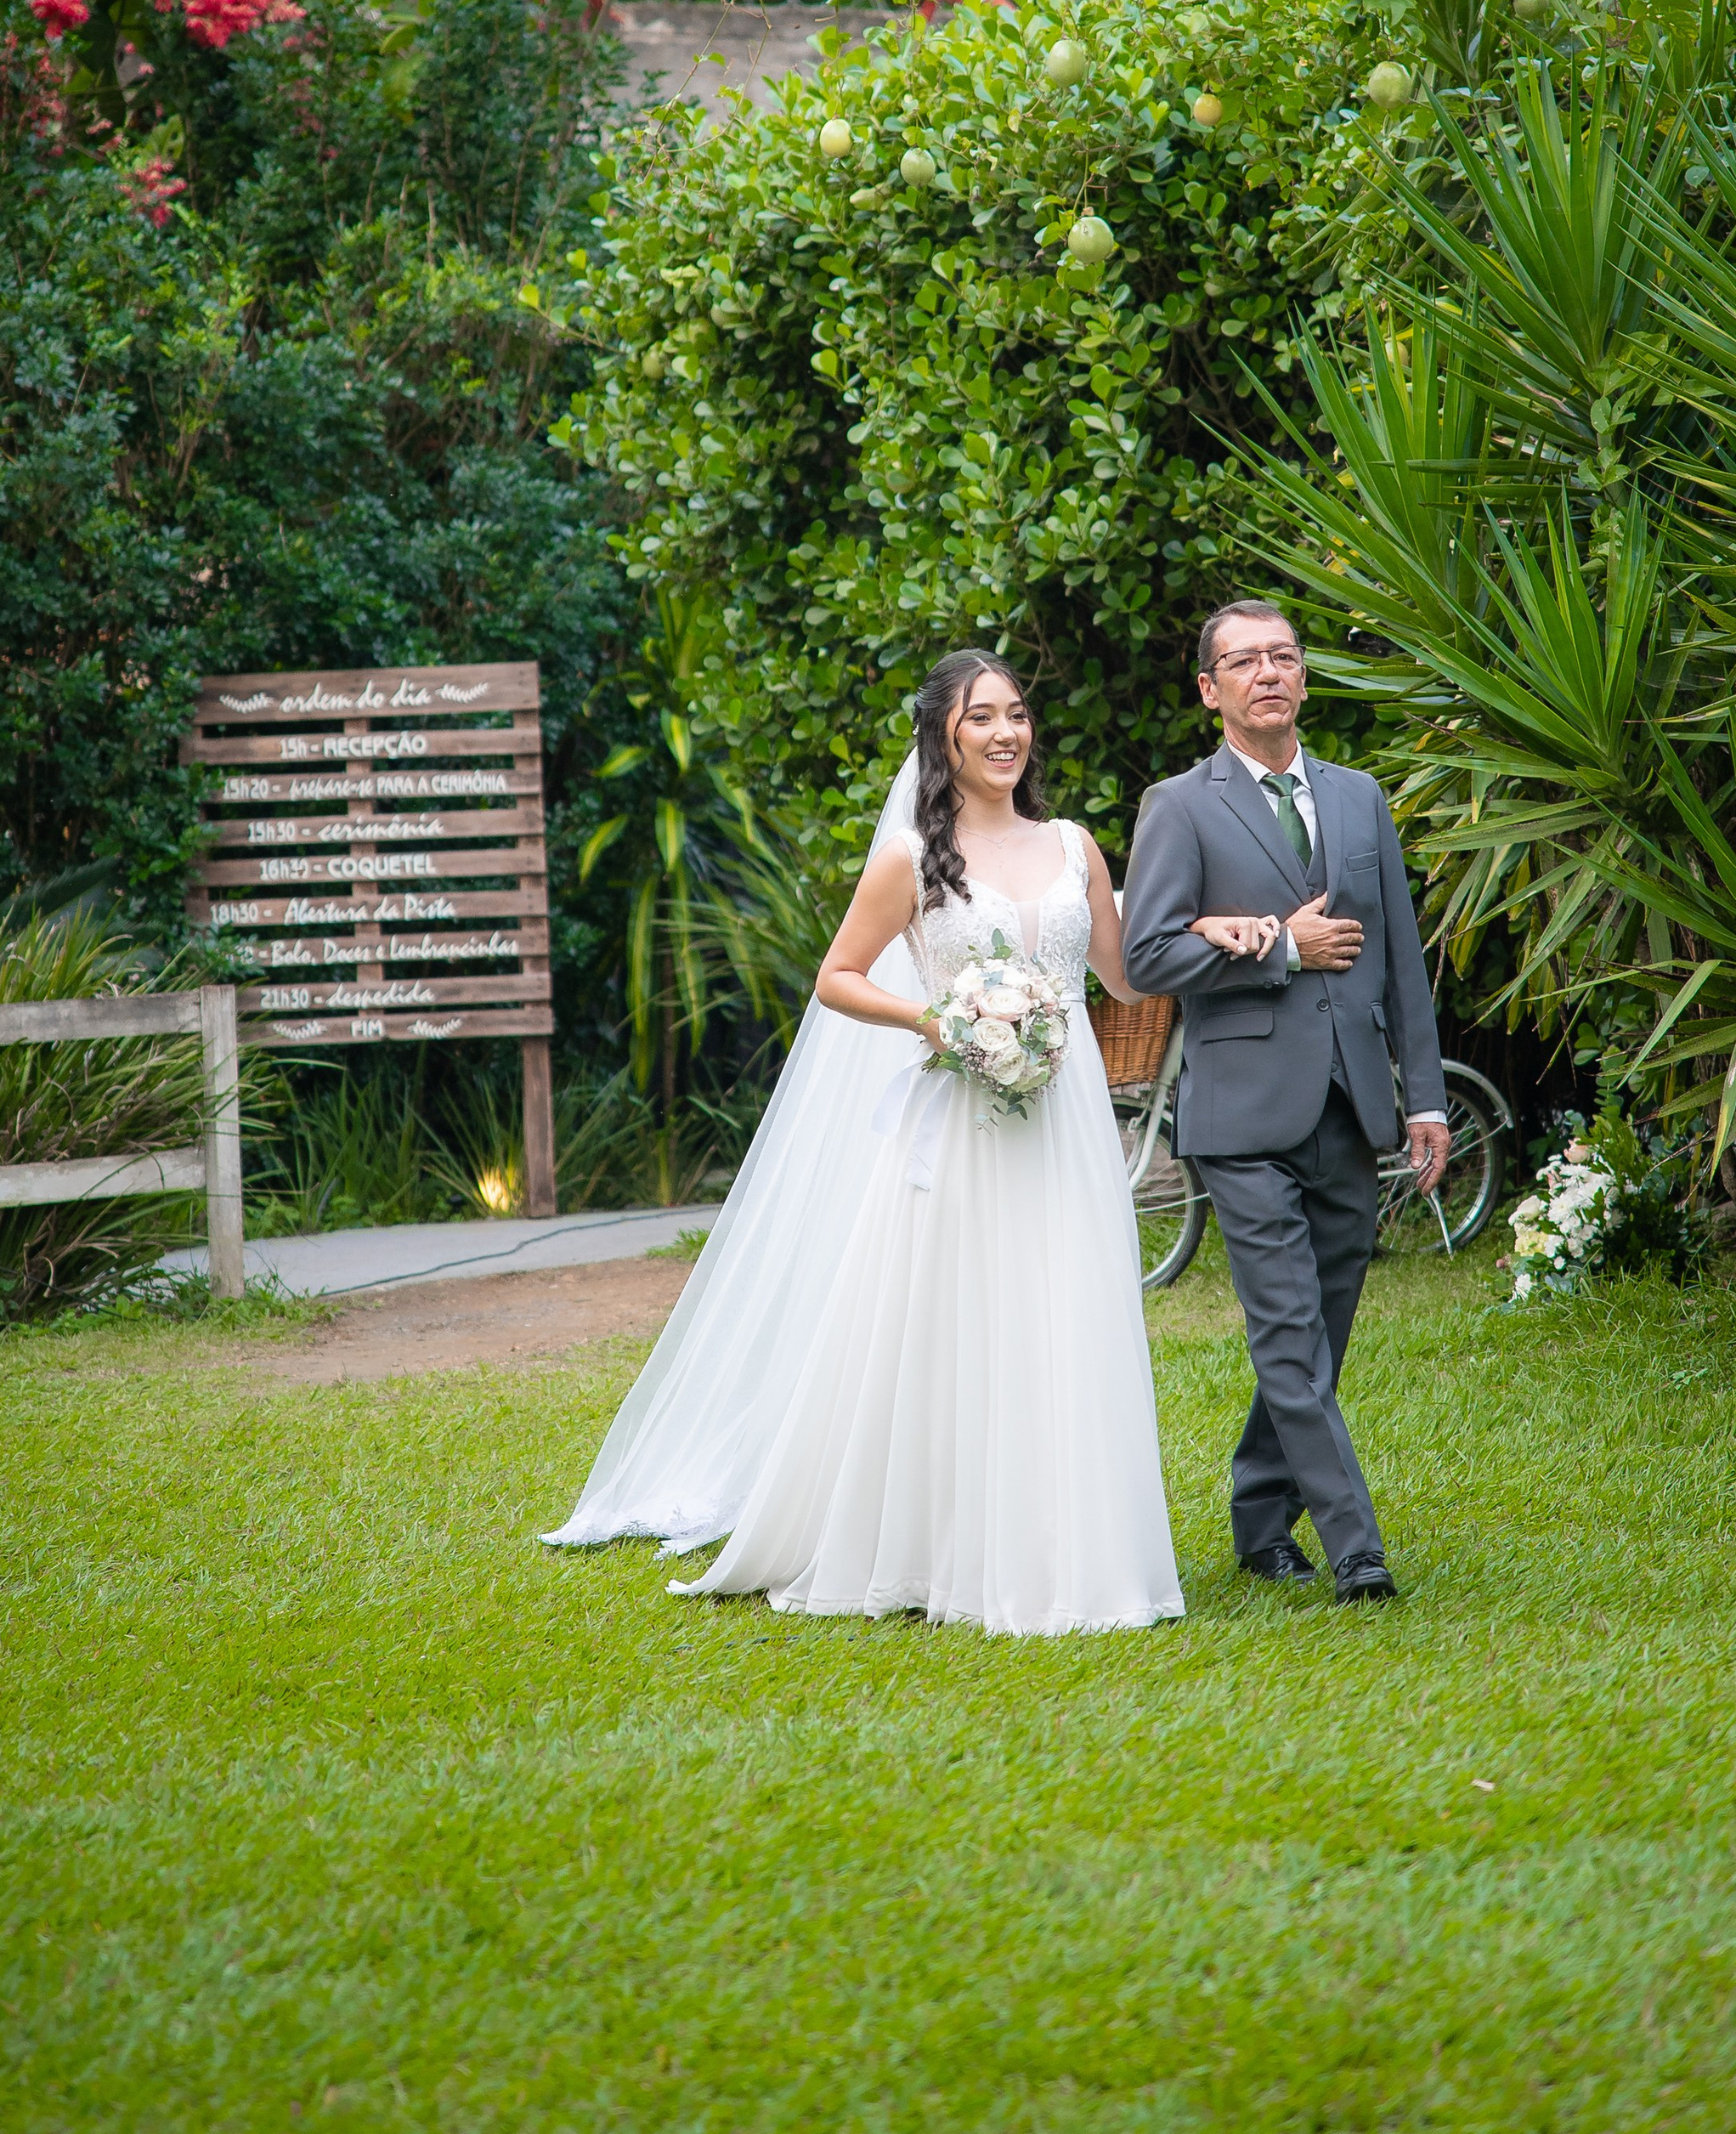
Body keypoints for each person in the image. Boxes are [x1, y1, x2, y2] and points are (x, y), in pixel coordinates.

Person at [544, 649, 1270, 1635]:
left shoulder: (1072, 847)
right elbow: (838, 976)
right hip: (960, 1119)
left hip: (1065, 1122)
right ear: (943, 735)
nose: (1006, 734)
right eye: (982, 718)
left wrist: (1211, 929)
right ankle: (937, 1547)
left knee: (1066, 1314)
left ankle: (1072, 1550)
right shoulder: (910, 857)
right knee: (954, 1326)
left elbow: (1127, 974)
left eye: (1016, 714)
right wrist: (936, 1020)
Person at [1121, 597, 1448, 1606]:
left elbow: (1398, 958)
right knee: (1287, 1333)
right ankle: (1356, 1550)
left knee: (1321, 1336)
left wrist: (1425, 1100)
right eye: (1243, 661)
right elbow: (1146, 957)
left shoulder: (1358, 798)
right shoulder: (1179, 806)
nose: (1267, 673)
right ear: (1208, 689)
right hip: (1241, 1115)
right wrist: (1278, 947)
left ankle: (1262, 1520)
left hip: (1351, 1106)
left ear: (1303, 677)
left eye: (1283, 657)